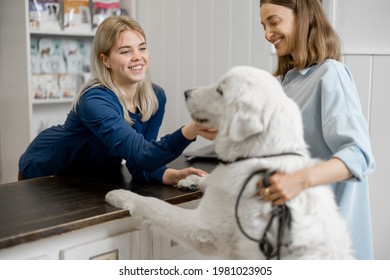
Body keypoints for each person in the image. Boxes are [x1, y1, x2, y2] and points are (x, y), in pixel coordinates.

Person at [19, 16, 216, 186]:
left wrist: (170, 175)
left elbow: (139, 161)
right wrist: (191, 129)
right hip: (47, 170)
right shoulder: (94, 100)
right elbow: (142, 155)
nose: (138, 57)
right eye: (125, 51)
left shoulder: (154, 97)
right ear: (105, 60)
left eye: (142, 48)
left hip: (93, 176)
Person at [258, 0, 375, 259]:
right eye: (263, 26)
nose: (267, 34)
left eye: (274, 22)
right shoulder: (282, 84)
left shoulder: (330, 74)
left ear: (304, 16)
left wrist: (297, 180)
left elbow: (358, 155)